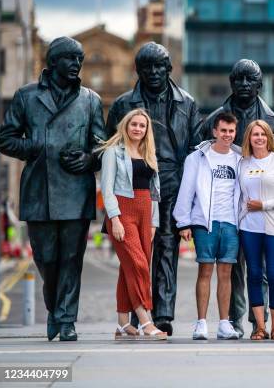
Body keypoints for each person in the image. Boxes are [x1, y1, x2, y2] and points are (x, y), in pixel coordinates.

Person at [0, 36, 107, 341]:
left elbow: (101, 146)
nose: (76, 65)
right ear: (53, 61)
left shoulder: (90, 100)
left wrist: (88, 158)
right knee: (46, 259)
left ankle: (66, 319)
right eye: (70, 59)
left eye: (79, 59)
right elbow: (4, 138)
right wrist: (33, 147)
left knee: (71, 259)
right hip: (39, 190)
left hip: (75, 189)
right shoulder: (26, 96)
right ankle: (55, 309)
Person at [106, 42, 202, 335]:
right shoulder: (123, 104)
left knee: (166, 248)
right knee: (135, 256)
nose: (153, 72)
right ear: (138, 70)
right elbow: (111, 145)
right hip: (135, 186)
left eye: (159, 66)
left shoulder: (187, 102)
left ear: (169, 68)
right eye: (147, 67)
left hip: (174, 181)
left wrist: (193, 194)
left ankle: (161, 314)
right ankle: (135, 316)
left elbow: (196, 149)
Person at [200, 59, 274, 338]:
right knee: (233, 266)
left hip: (262, 211)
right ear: (231, 82)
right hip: (227, 207)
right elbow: (199, 160)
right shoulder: (215, 119)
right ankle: (235, 319)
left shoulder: (272, 120)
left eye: (250, 80)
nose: (244, 85)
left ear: (260, 85)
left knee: (261, 269)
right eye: (238, 79)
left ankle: (259, 322)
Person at [99, 109, 167, 340]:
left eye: (142, 125)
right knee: (138, 265)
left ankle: (122, 323)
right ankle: (145, 320)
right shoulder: (112, 153)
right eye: (134, 124)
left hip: (145, 212)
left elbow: (154, 192)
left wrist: (153, 223)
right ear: (126, 126)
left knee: (128, 267)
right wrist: (115, 219)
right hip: (123, 211)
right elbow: (106, 189)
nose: (138, 128)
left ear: (147, 130)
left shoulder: (148, 153)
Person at [174, 112, 242, 340]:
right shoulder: (197, 158)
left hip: (231, 223)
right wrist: (184, 222)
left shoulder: (240, 158)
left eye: (231, 131)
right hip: (205, 222)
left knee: (226, 273)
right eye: (223, 130)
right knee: (205, 271)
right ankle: (201, 323)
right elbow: (186, 190)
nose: (227, 135)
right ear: (215, 131)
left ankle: (224, 323)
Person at [238, 121, 274, 340]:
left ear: (269, 137)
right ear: (249, 139)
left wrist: (264, 205)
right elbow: (238, 196)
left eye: (263, 134)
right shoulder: (242, 163)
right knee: (253, 274)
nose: (259, 138)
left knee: (273, 274)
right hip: (249, 227)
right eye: (255, 135)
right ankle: (260, 327)